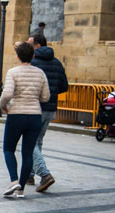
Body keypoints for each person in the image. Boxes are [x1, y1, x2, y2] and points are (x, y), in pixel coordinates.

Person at [0, 42, 50, 198]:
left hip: (16, 114)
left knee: (8, 149)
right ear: (33, 56)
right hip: (34, 115)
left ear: (17, 56)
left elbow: (7, 94)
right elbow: (45, 97)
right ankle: (21, 191)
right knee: (27, 153)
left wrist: (2, 106)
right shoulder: (40, 73)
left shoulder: (13, 72)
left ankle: (14, 181)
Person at [27, 33, 68, 192]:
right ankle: (30, 175)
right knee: (38, 141)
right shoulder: (57, 63)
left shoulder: (33, 62)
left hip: (36, 108)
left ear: (37, 45)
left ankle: (44, 174)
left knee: (30, 142)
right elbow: (64, 86)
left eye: (30, 44)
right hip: (50, 109)